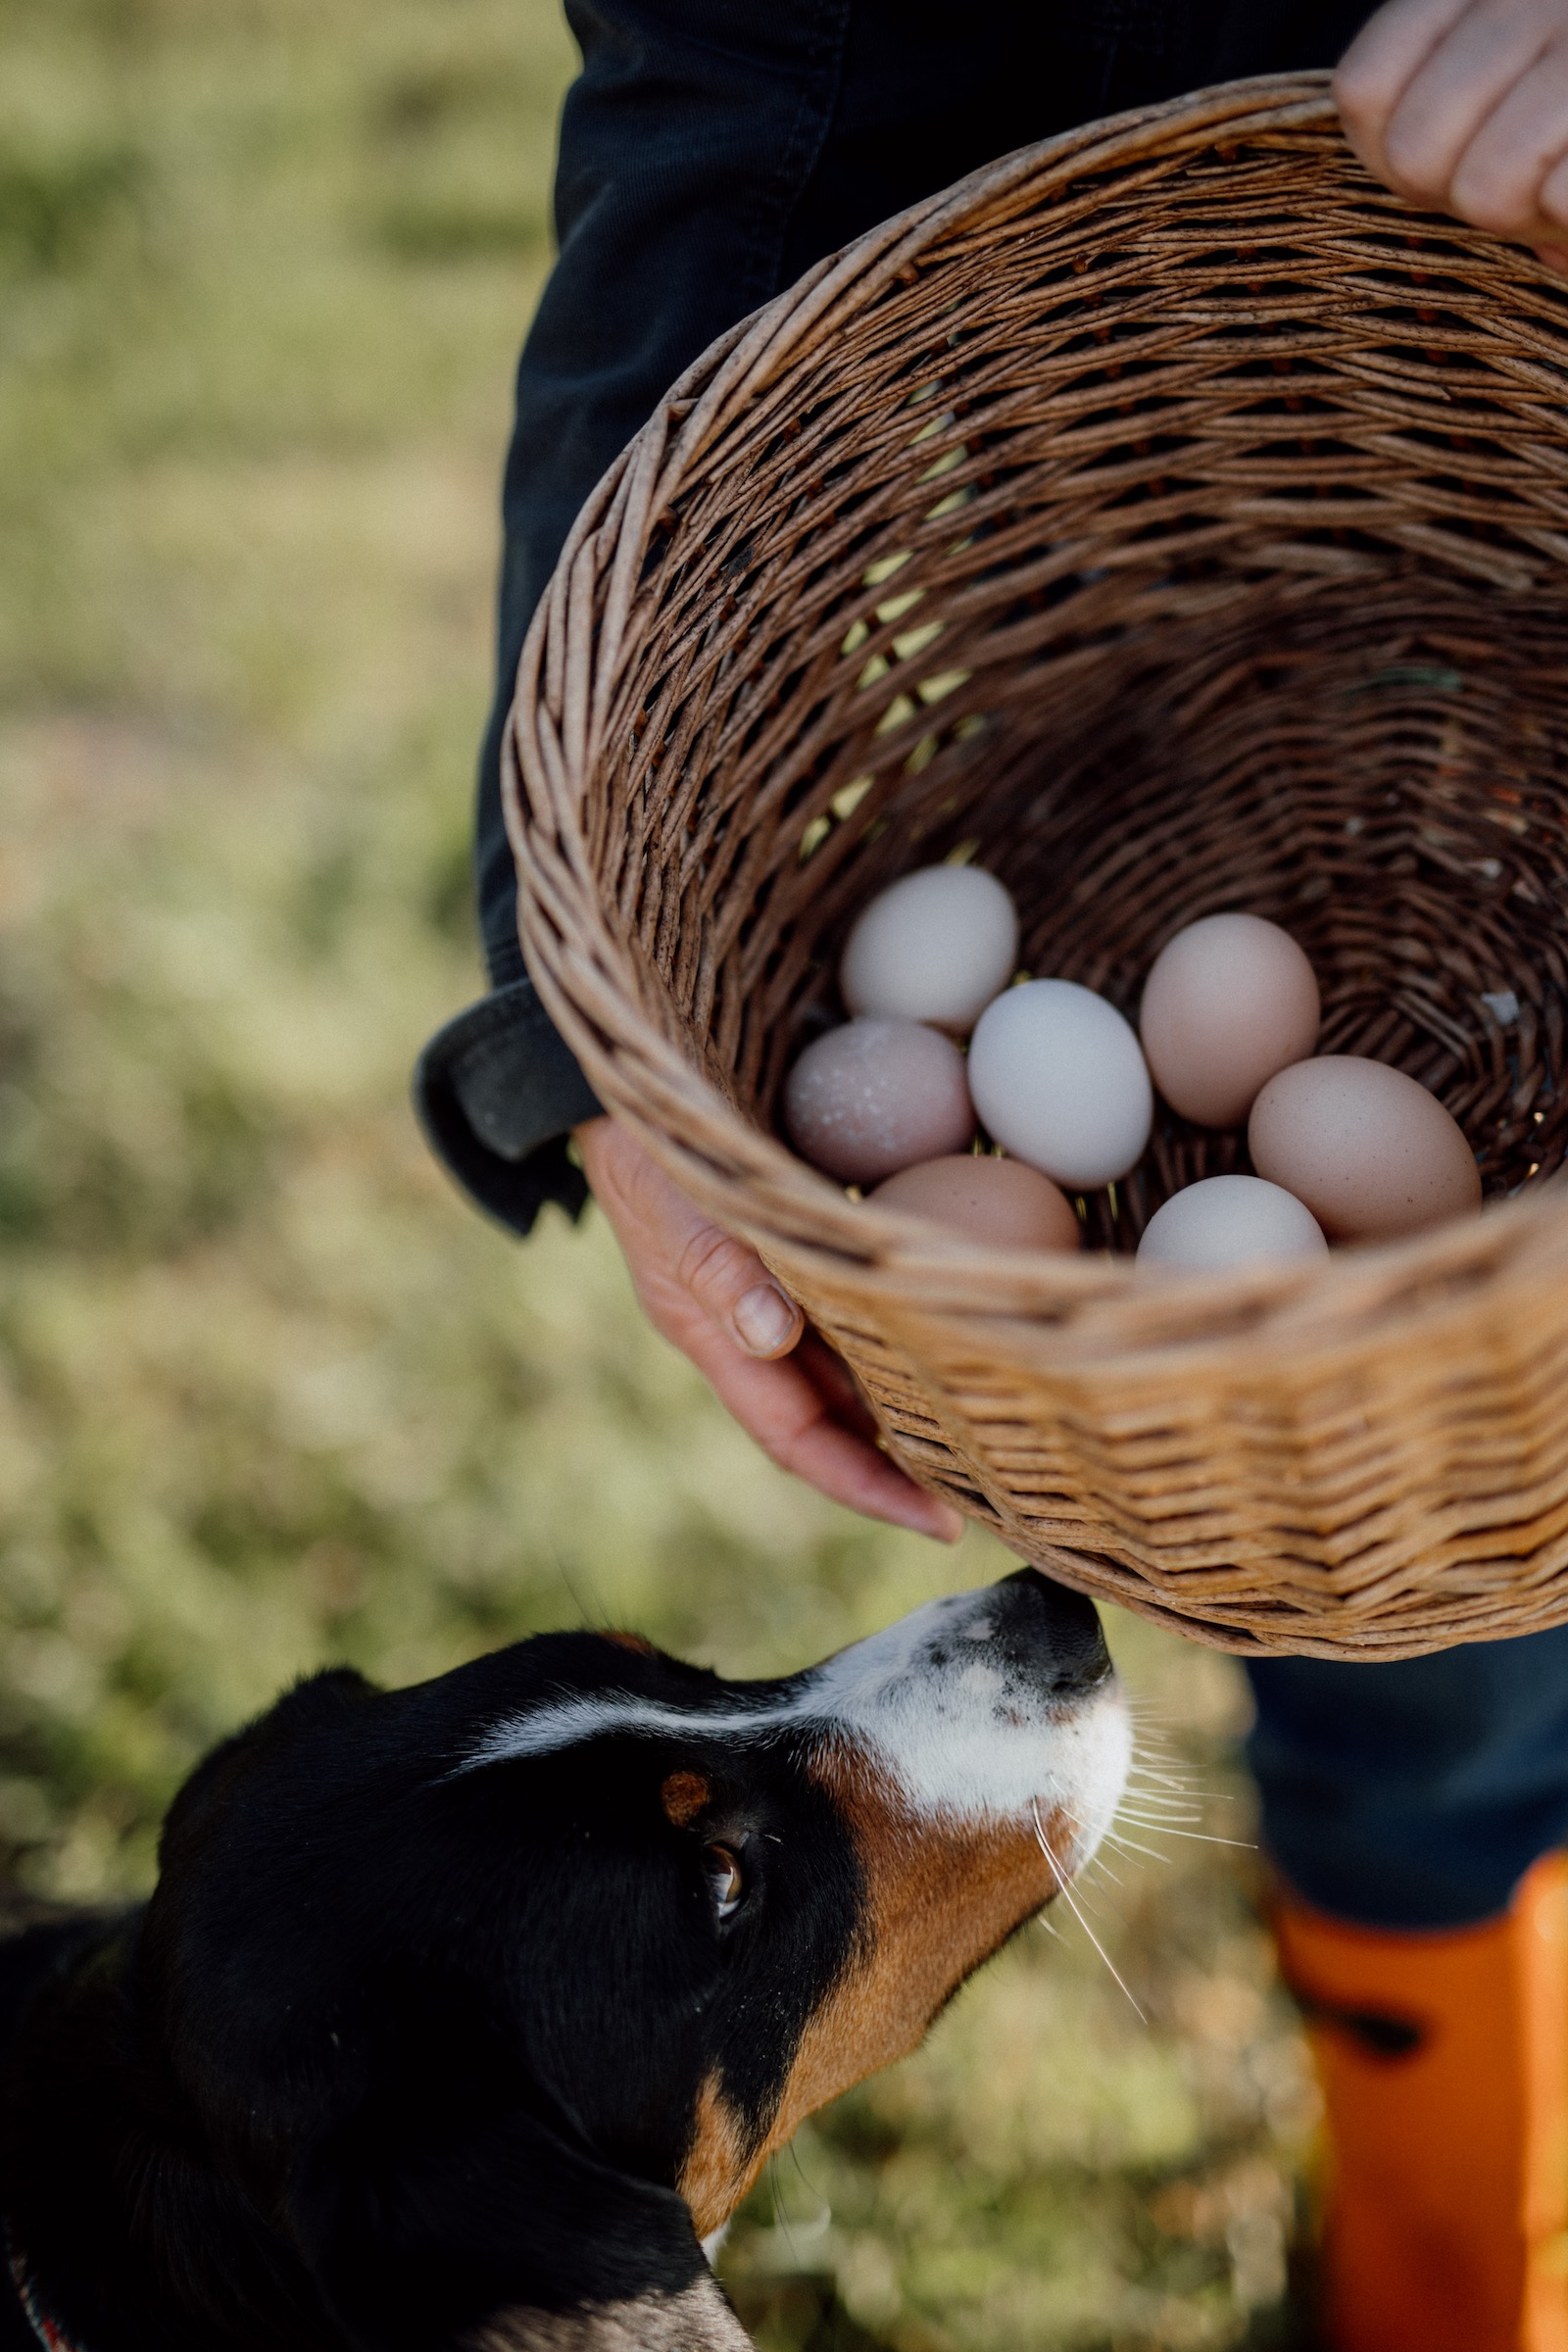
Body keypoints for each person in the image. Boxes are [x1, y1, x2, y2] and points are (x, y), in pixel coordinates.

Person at [415, 5, 1568, 2344]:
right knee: (1418, 1648)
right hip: (1164, 489)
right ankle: (1465, 2258)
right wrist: (589, 1022)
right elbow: (716, 97)